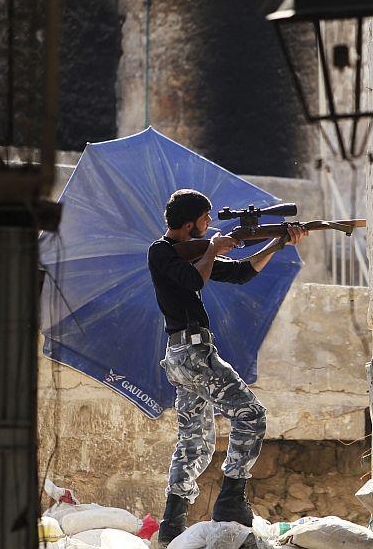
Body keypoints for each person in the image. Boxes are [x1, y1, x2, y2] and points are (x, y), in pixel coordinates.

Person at [147, 189, 306, 545]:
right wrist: (213, 249)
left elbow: (241, 273)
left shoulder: (194, 252)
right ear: (189, 223)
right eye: (204, 219)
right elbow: (194, 280)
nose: (209, 225)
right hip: (192, 353)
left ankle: (171, 525)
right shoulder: (161, 251)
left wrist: (278, 243)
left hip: (185, 357)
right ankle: (231, 500)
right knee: (251, 415)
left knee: (194, 443)